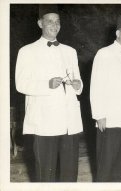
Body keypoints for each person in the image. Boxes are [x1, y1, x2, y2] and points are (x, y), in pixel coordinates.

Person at [15, 5, 83, 182]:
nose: (55, 25)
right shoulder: (27, 51)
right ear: (40, 23)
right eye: (50, 21)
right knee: (46, 174)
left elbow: (78, 82)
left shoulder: (70, 51)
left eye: (57, 21)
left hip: (69, 121)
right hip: (45, 122)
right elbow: (21, 84)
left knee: (70, 174)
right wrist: (47, 84)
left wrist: (78, 85)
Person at [90, 14, 121, 182]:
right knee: (106, 167)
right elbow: (96, 86)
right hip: (110, 119)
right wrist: (99, 115)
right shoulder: (103, 54)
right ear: (117, 33)